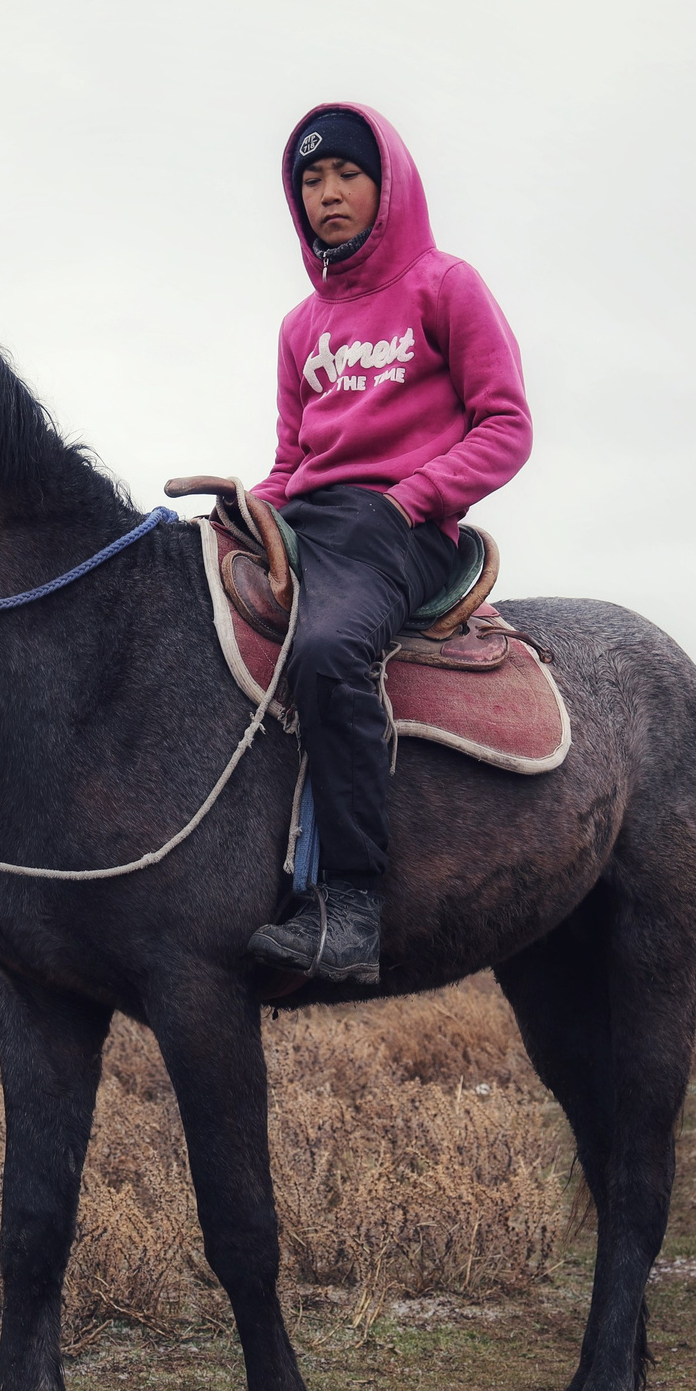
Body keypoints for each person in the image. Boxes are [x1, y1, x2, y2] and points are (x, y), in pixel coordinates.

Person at [243, 103, 534, 985]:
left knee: (329, 648)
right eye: (310, 181)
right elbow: (292, 460)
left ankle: (353, 904)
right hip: (312, 523)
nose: (327, 194)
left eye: (347, 176)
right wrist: (240, 509)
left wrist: (415, 497)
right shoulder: (301, 326)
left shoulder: (447, 286)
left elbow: (507, 425)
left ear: (387, 184)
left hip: (404, 529)